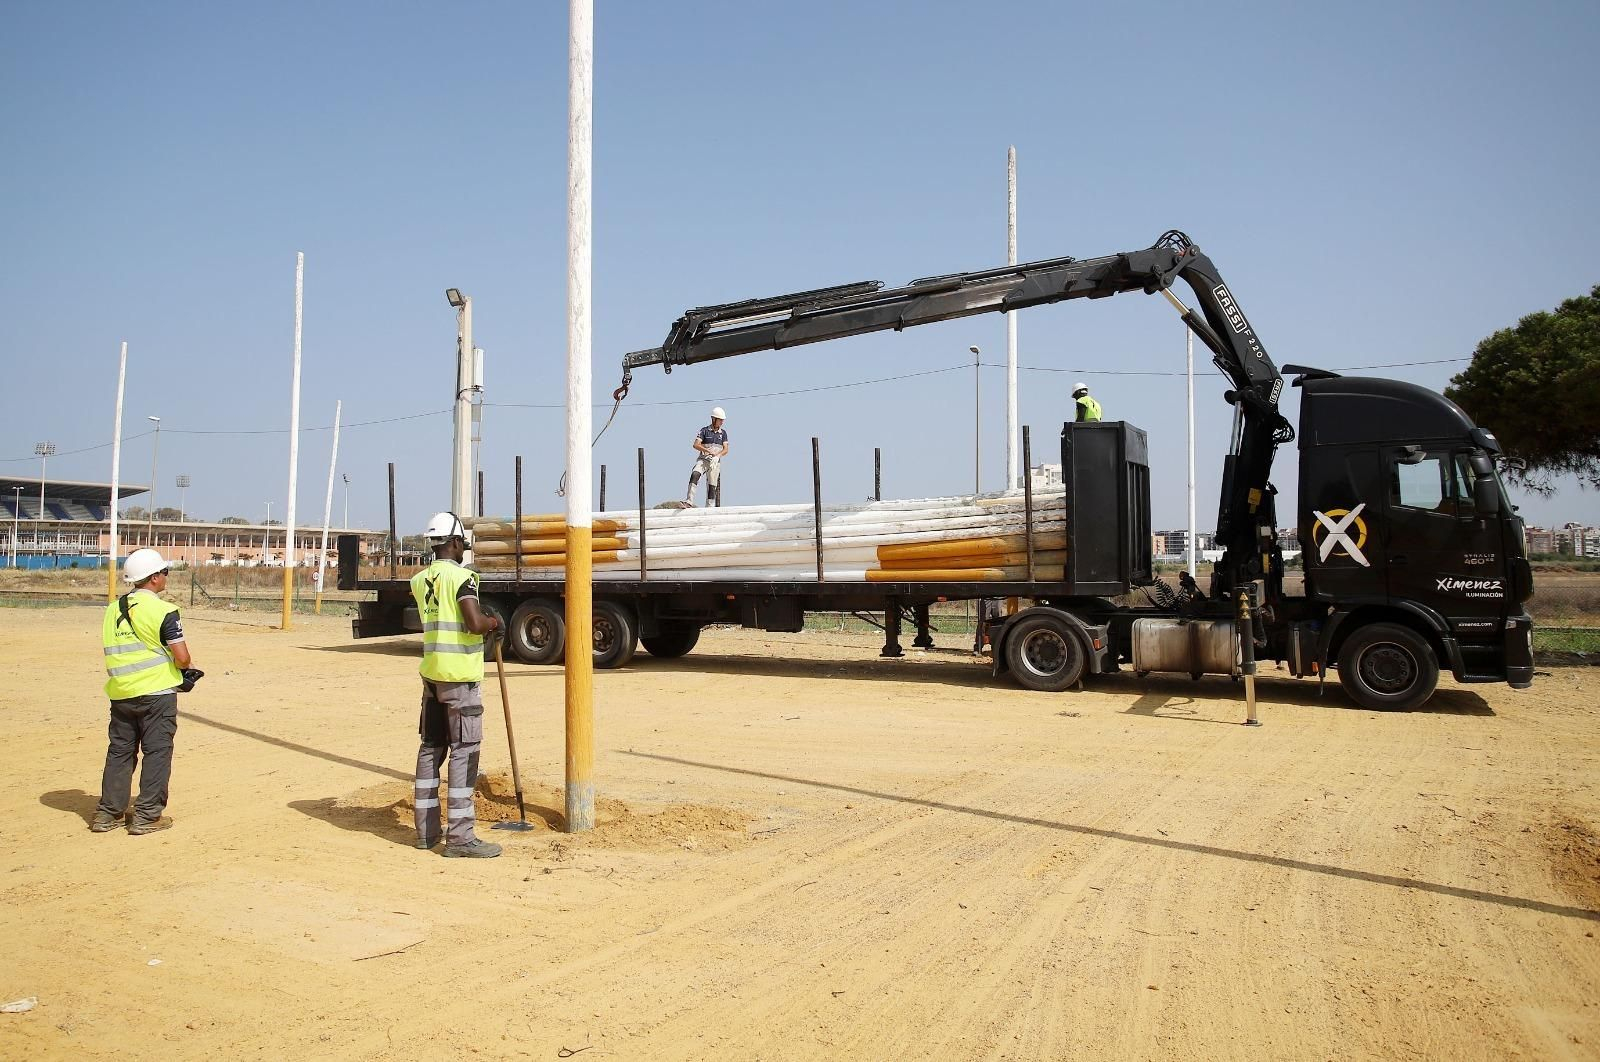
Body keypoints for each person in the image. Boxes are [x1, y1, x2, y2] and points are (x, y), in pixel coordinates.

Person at [409, 512, 504, 858]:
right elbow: (473, 622)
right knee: (465, 751)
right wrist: (493, 621)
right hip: (459, 679)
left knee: (431, 747)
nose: (464, 548)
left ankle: (426, 832)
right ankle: (461, 839)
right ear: (453, 542)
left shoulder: (420, 581)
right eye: (463, 542)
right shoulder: (463, 578)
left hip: (431, 675)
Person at [93, 548, 193, 835]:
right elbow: (182, 657)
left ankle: (108, 813)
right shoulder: (164, 611)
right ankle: (147, 816)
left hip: (121, 692)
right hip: (156, 693)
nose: (166, 577)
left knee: (120, 752)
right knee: (157, 752)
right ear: (153, 578)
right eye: (164, 572)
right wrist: (185, 669)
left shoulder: (113, 609)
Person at [684, 406, 731, 506]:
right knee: (695, 475)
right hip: (703, 460)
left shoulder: (723, 433)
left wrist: (718, 456)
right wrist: (707, 451)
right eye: (720, 420)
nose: (722, 422)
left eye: (723, 420)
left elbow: (726, 449)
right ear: (714, 419)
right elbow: (696, 444)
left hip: (715, 463)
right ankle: (689, 501)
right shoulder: (704, 431)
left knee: (712, 487)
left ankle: (709, 508)